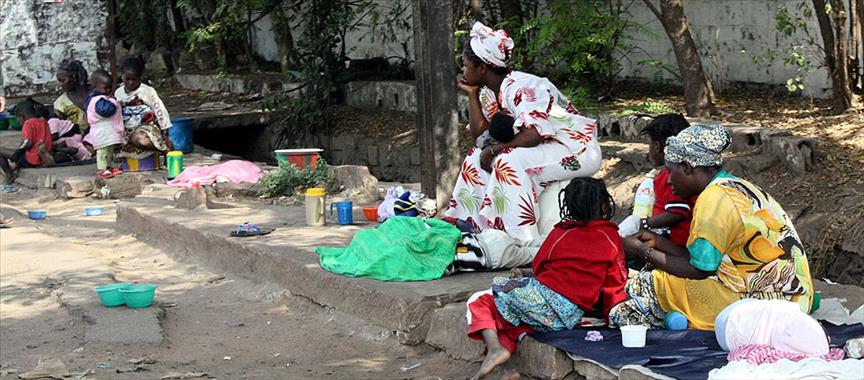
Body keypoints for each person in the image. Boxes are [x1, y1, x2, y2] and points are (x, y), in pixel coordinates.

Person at [610, 124, 814, 331]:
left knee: (648, 284)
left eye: (671, 172)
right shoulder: (738, 186)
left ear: (687, 167)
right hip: (794, 299)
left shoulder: (713, 198)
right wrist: (659, 242)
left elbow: (698, 271)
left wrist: (641, 251)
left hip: (759, 306)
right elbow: (703, 260)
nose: (669, 181)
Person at [446, 22, 602, 243]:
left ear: (482, 68)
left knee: (508, 161)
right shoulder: (488, 93)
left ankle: (523, 240)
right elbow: (480, 138)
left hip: (578, 150)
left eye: (466, 65)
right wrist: (471, 94)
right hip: (546, 148)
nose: (463, 71)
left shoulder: (525, 86)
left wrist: (496, 149)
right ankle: (469, 227)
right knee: (475, 157)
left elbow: (534, 133)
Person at [465, 177, 627, 379]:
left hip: (545, 302)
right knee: (513, 318)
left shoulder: (560, 233)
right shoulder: (611, 238)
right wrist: (613, 317)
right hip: (570, 315)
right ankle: (505, 372)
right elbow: (615, 282)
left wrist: (528, 276)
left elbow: (540, 267)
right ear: (604, 204)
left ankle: (495, 349)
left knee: (482, 300)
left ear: (568, 204)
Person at [640, 113, 693, 245]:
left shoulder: (676, 178)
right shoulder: (674, 174)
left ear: (657, 146)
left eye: (650, 144)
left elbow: (678, 212)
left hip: (675, 242)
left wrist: (643, 223)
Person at [114, 57, 173, 156]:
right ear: (122, 77)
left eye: (134, 79)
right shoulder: (118, 93)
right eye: (127, 79)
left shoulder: (147, 91)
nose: (131, 82)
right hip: (126, 129)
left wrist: (165, 130)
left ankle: (164, 148)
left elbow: (159, 110)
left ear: (140, 77)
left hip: (147, 128)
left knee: (139, 139)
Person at [0, 98, 55, 182]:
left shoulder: (28, 123)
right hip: (43, 156)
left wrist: (18, 152)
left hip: (32, 160)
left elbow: (28, 143)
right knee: (21, 152)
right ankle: (44, 159)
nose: (18, 121)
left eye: (17, 118)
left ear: (22, 116)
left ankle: (9, 175)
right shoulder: (43, 121)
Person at [84, 70, 125, 179]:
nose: (107, 90)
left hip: (107, 132)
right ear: (94, 86)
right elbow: (106, 111)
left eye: (109, 87)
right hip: (101, 132)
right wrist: (114, 103)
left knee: (109, 151)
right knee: (102, 151)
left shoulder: (102, 98)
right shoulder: (97, 100)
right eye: (104, 88)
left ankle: (108, 167)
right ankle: (102, 169)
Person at [53, 59, 90, 132]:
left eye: (63, 80)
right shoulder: (60, 104)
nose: (60, 85)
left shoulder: (96, 92)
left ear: (74, 77)